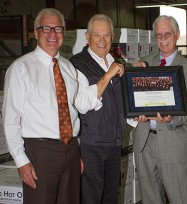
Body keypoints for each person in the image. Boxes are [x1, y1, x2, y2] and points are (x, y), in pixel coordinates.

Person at [2, 8, 124, 204]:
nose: (53, 34)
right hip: (40, 152)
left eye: (58, 29)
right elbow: (10, 119)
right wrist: (21, 161)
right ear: (36, 33)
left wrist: (76, 153)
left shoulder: (67, 67)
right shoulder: (21, 68)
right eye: (46, 28)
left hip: (71, 150)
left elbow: (78, 106)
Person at [132, 15, 187, 204]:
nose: (163, 39)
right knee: (150, 199)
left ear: (177, 35)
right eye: (159, 35)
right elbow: (134, 99)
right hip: (145, 142)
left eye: (167, 34)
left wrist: (172, 119)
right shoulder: (144, 63)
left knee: (181, 198)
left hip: (174, 143)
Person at [70, 14, 127, 204]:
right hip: (90, 144)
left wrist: (139, 115)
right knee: (91, 197)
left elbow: (121, 102)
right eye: (97, 35)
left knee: (111, 197)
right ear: (87, 36)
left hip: (114, 142)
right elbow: (82, 104)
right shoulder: (76, 65)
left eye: (107, 35)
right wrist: (109, 75)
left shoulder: (116, 62)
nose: (102, 41)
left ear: (113, 36)